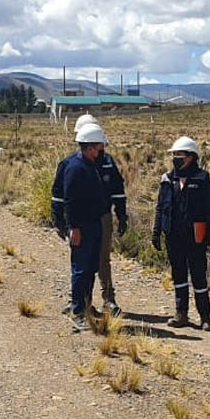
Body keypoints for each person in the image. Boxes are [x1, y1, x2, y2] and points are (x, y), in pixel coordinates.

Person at [53, 114, 128, 317]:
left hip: (101, 218)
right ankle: (79, 304)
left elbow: (117, 189)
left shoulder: (104, 163)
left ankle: (105, 300)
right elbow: (62, 197)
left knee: (99, 260)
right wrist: (64, 222)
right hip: (82, 220)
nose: (101, 150)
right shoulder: (72, 165)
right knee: (81, 263)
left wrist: (121, 214)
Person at [152, 136, 210, 331]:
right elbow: (160, 207)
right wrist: (156, 232)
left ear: (191, 157)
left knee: (199, 277)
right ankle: (181, 314)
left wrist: (209, 236)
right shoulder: (167, 179)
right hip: (173, 235)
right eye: (174, 155)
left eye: (179, 155)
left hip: (195, 237)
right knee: (178, 275)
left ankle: (205, 317)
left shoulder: (202, 179)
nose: (175, 158)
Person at [50, 123, 109, 332]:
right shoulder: (76, 168)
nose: (102, 150)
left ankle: (85, 306)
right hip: (82, 226)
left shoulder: (89, 164)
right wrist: (73, 227)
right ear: (91, 147)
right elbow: (71, 201)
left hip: (93, 224)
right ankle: (77, 312)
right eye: (100, 146)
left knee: (90, 267)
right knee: (81, 269)